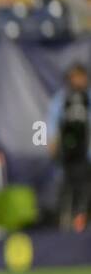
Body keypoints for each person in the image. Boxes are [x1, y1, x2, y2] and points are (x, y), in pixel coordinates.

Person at [48, 63, 89, 231]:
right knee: (67, 186)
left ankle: (82, 220)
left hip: (85, 153)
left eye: (81, 76)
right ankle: (65, 221)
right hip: (67, 153)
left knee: (85, 187)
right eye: (74, 77)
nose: (78, 80)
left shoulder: (88, 98)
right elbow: (49, 121)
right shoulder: (61, 99)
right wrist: (50, 141)